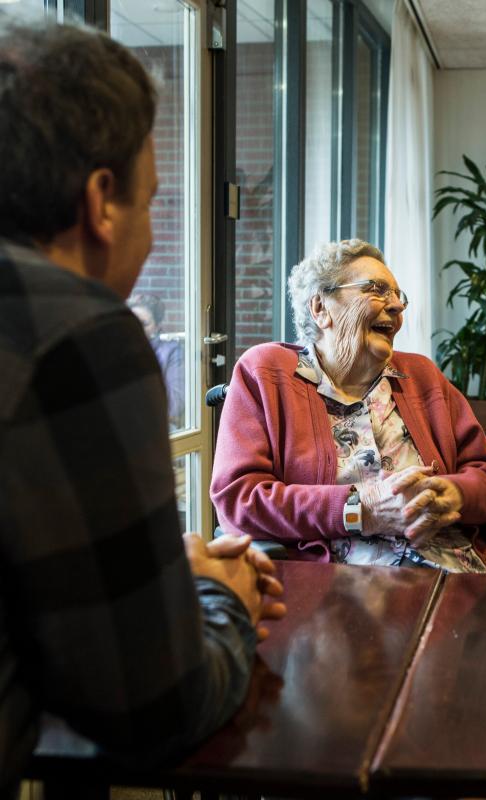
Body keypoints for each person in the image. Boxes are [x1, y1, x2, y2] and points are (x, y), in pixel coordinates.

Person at [0, 21, 285, 797]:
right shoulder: (79, 333)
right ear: (101, 201)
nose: (157, 237)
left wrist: (156, 576)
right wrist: (220, 596)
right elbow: (154, 707)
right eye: (154, 200)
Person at [210, 239, 486, 573]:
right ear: (320, 308)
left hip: (457, 570)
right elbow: (238, 499)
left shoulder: (421, 376)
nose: (396, 306)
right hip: (342, 585)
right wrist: (360, 509)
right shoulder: (266, 374)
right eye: (376, 289)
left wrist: (454, 493)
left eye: (398, 296)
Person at [129, 292, 185, 429]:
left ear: (157, 326)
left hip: (154, 423)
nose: (135, 328)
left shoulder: (172, 351)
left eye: (144, 324)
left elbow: (174, 405)